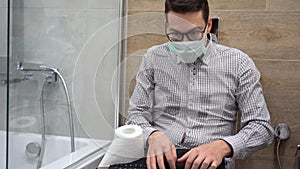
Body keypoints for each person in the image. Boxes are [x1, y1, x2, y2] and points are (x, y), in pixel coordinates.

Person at [126, 0, 274, 169]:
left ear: (208, 25)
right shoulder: (153, 58)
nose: (184, 42)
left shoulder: (239, 63)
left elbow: (262, 128)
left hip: (211, 163)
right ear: (166, 25)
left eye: (193, 33)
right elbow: (136, 114)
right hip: (161, 160)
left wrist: (223, 146)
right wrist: (152, 135)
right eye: (175, 34)